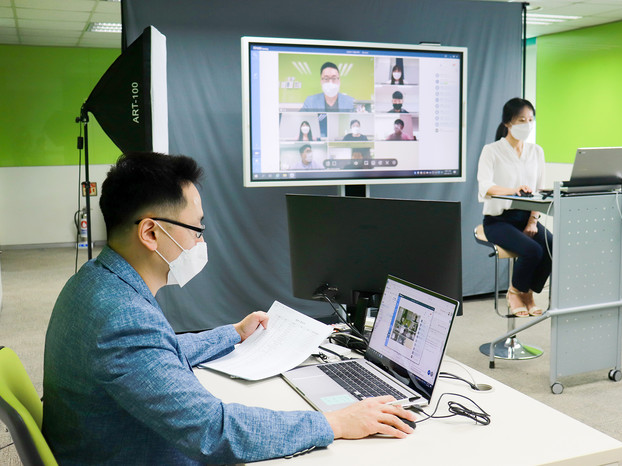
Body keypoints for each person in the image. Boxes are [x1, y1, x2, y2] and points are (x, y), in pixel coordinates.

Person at [42, 152, 416, 465]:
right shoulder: (122, 319)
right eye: (196, 229)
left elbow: (157, 351)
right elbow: (213, 431)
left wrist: (232, 334)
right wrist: (334, 423)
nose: (199, 241)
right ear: (151, 233)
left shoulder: (96, 281)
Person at [476, 98, 553, 317]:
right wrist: (513, 190)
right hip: (498, 221)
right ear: (508, 123)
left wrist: (533, 221)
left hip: (526, 218)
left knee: (551, 247)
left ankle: (527, 292)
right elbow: (485, 187)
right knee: (532, 250)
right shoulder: (491, 150)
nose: (527, 124)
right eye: (521, 120)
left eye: (530, 120)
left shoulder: (536, 151)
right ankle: (514, 292)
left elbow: (539, 190)